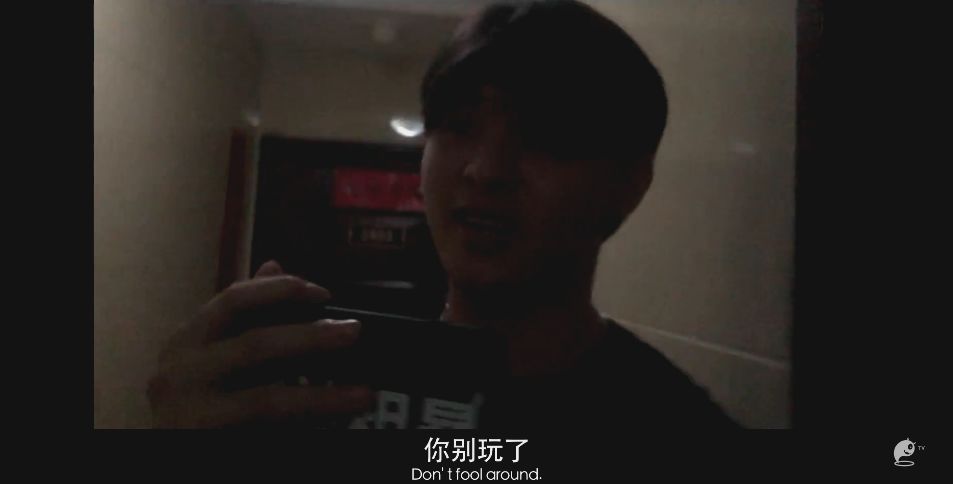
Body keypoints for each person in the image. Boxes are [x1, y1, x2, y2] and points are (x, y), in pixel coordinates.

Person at [148, 0, 739, 429]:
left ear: (628, 184)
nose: (486, 170)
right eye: (459, 125)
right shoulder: (315, 385)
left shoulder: (678, 427)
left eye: (546, 135)